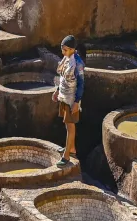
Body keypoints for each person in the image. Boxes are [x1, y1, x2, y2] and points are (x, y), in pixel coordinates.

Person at [52, 35, 84, 167]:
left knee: (70, 126)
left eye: (65, 50)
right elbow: (63, 78)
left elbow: (81, 84)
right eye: (62, 49)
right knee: (67, 123)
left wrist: (77, 102)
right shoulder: (66, 59)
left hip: (72, 99)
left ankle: (66, 156)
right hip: (64, 95)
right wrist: (57, 90)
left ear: (72, 49)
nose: (63, 52)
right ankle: (72, 149)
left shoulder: (78, 63)